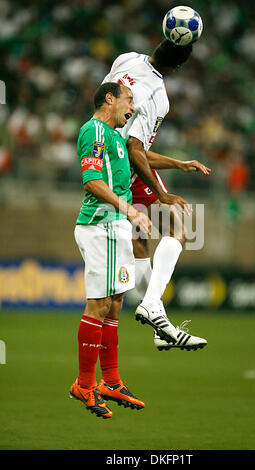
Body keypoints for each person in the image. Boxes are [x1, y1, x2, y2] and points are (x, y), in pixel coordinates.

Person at [102, 39, 210, 350]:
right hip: (127, 166)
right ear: (177, 66)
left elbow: (120, 130)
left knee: (140, 243)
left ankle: (157, 325)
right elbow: (136, 149)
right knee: (177, 229)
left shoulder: (125, 59)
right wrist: (162, 193)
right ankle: (151, 305)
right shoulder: (158, 97)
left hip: (103, 153)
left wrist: (179, 164)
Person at [69, 82, 152, 419]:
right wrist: (131, 210)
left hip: (117, 227)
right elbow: (91, 181)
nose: (132, 108)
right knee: (100, 303)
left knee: (116, 303)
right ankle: (84, 384)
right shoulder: (96, 132)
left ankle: (111, 381)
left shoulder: (116, 138)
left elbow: (143, 160)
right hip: (100, 224)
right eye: (129, 100)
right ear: (110, 98)